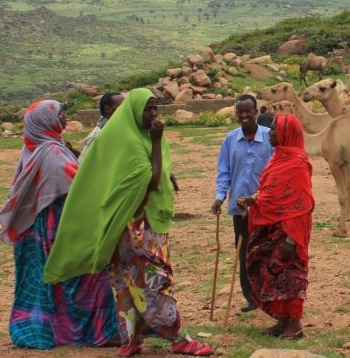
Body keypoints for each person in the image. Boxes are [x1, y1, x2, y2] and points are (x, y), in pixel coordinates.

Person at [43, 88, 212, 356]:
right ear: (133, 111)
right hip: (138, 230)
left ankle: (131, 341)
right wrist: (157, 142)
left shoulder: (138, 136)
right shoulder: (133, 143)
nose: (154, 114)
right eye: (148, 109)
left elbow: (161, 173)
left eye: (156, 108)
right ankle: (178, 337)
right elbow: (151, 181)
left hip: (135, 227)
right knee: (154, 282)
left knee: (126, 281)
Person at [0, 100, 118, 349]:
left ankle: (59, 328)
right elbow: (76, 186)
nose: (65, 118)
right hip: (62, 226)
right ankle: (97, 331)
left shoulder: (35, 148)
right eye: (61, 115)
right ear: (46, 121)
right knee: (87, 273)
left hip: (43, 226)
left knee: (57, 279)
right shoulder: (50, 152)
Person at [236, 113, 314, 339]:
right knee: (272, 274)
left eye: (273, 129)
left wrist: (292, 238)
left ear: (286, 133)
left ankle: (295, 325)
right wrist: (254, 199)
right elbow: (272, 192)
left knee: (291, 276)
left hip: (290, 231)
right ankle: (282, 320)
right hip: (270, 227)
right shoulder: (278, 158)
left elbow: (303, 204)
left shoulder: (298, 163)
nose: (269, 133)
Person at [213, 95, 274, 313]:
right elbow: (224, 172)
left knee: (267, 250)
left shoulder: (269, 138)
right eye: (240, 112)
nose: (244, 116)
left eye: (248, 111)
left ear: (256, 112)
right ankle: (251, 296)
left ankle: (268, 294)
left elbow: (275, 173)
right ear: (236, 114)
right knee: (244, 251)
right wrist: (220, 196)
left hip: (264, 207)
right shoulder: (230, 139)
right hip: (239, 208)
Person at [80, 92, 125, 163]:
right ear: (107, 109)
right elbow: (81, 165)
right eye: (122, 107)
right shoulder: (96, 137)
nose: (127, 110)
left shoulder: (120, 130)